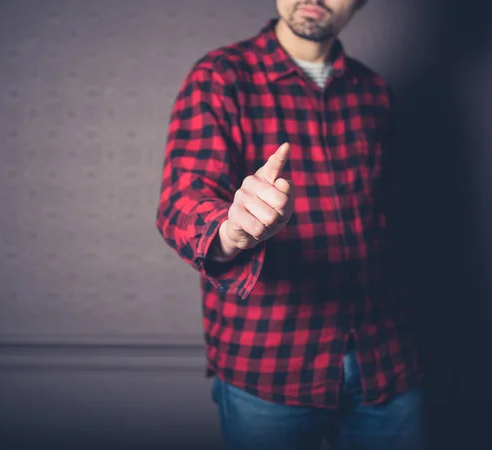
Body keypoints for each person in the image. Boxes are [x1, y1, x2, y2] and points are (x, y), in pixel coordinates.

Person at [155, 1, 424, 448]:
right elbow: (182, 200)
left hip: (385, 360)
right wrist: (230, 231)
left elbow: (393, 221)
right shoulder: (221, 75)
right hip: (270, 363)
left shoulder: (374, 92)